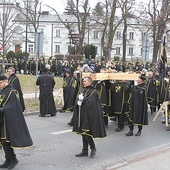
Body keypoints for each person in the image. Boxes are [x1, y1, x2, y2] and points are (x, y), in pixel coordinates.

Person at [0, 75, 33, 169]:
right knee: (3, 141)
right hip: (2, 119)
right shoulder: (3, 91)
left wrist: (2, 110)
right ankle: (8, 160)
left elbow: (12, 106)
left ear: (5, 81)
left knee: (6, 141)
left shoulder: (11, 91)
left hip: (8, 120)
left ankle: (13, 159)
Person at [72, 76, 106, 158]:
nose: (84, 82)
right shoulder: (82, 90)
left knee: (86, 132)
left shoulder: (94, 92)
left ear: (90, 82)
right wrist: (78, 101)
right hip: (82, 114)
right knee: (83, 133)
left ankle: (93, 148)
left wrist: (83, 100)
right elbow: (78, 100)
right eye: (83, 81)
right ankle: (85, 150)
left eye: (86, 81)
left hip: (89, 115)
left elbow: (92, 103)